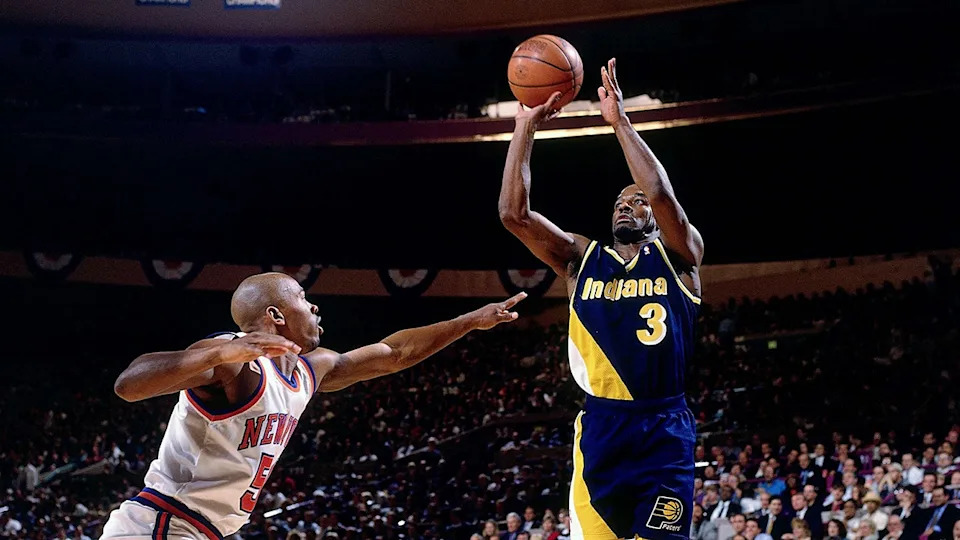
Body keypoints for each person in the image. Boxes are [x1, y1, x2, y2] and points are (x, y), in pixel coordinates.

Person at [102, 272, 526, 539]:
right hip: (161, 524)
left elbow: (395, 353)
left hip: (205, 530)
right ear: (276, 314)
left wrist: (468, 321)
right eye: (304, 297)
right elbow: (129, 385)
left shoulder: (310, 370)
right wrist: (216, 355)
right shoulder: (233, 362)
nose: (314, 305)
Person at [499, 58, 702, 539]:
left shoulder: (680, 256)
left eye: (635, 203)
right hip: (601, 429)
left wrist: (619, 123)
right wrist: (525, 127)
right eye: (618, 203)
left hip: (664, 429)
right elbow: (513, 213)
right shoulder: (580, 259)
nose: (626, 206)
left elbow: (660, 192)